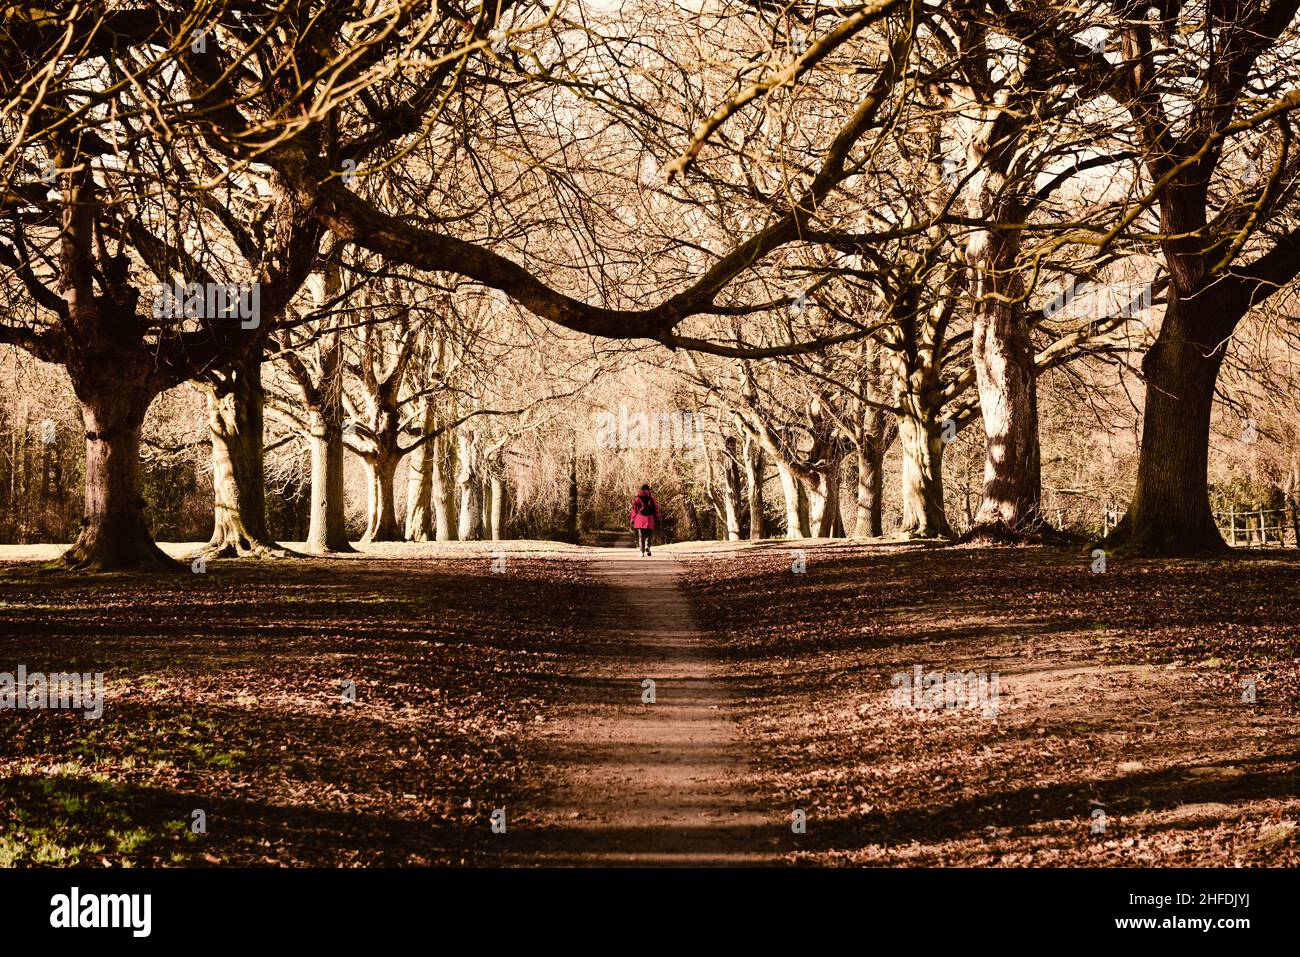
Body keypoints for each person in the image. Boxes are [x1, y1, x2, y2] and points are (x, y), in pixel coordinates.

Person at [630, 484, 659, 556]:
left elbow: (634, 510)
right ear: (649, 490)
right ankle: (647, 547)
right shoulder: (652, 499)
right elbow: (656, 509)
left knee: (641, 536)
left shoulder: (637, 498)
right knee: (649, 535)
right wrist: (657, 518)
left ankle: (641, 552)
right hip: (649, 519)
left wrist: (632, 519)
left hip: (640, 519)